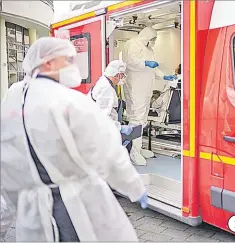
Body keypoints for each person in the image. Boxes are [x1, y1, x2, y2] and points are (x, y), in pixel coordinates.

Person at [1, 37, 148, 242]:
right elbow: (106, 152)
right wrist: (134, 187)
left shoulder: (14, 95)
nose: (72, 65)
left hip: (32, 212)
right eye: (67, 60)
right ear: (48, 62)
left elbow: (7, 160)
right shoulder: (67, 100)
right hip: (71, 203)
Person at [122, 26, 177, 166]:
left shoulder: (149, 50)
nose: (154, 41)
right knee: (136, 119)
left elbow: (153, 68)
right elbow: (130, 62)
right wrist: (145, 63)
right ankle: (133, 152)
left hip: (146, 89)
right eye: (153, 39)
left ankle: (138, 149)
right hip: (135, 88)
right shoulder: (132, 43)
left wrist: (164, 76)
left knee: (143, 119)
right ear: (146, 36)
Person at [89, 60, 133, 147]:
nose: (123, 78)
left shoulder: (104, 82)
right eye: (122, 75)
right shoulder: (106, 88)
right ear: (117, 75)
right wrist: (119, 128)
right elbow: (103, 116)